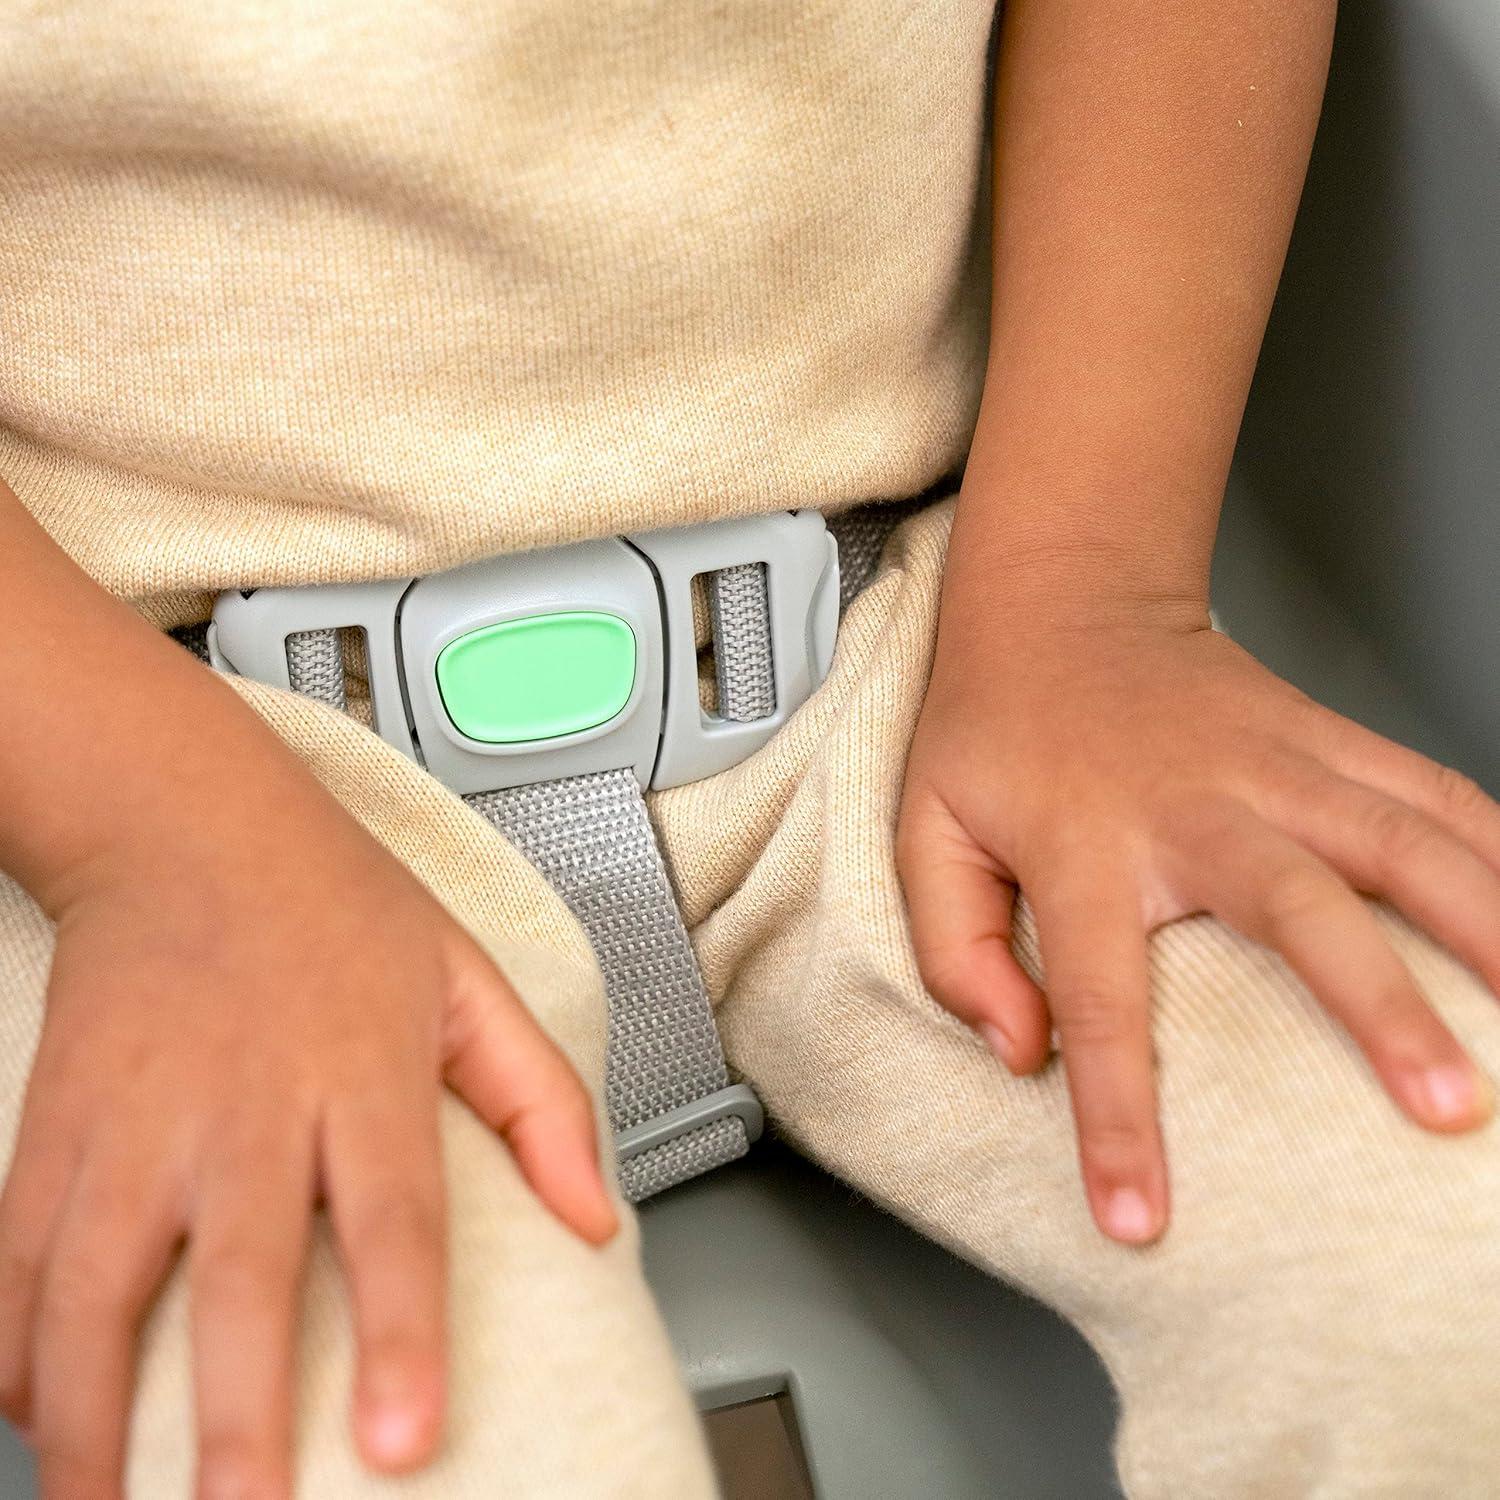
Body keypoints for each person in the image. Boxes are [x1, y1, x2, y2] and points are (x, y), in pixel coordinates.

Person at [2, 0, 1497, 1494]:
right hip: (127, 775)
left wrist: (1094, 578)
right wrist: (143, 829)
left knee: (1457, 1251)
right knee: (353, 1447)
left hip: (949, 627)